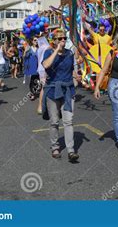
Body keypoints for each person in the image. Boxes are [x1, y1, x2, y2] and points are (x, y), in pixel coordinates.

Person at [42, 29, 79, 161]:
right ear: (54, 41)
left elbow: (71, 70)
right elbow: (46, 65)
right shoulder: (48, 52)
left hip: (68, 90)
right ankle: (55, 147)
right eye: (60, 39)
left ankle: (71, 150)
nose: (63, 41)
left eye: (64, 38)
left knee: (68, 121)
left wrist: (77, 77)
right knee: (54, 122)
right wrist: (56, 51)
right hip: (52, 90)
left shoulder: (69, 53)